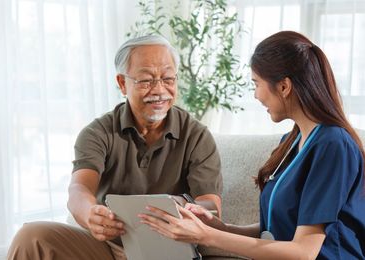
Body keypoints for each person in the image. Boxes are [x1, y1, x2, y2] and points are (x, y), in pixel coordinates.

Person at [139, 31, 365, 259]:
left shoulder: (333, 145)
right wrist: (218, 227)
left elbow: (304, 251)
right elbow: (277, 231)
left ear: (284, 87)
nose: (256, 95)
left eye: (256, 84)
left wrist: (205, 236)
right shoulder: (291, 141)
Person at [7, 35, 223, 260]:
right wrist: (91, 214)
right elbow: (79, 190)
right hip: (107, 247)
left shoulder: (197, 135)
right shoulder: (98, 132)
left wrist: (182, 206)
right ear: (122, 83)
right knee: (31, 236)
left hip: (167, 250)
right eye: (146, 80)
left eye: (168, 78)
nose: (159, 89)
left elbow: (211, 207)